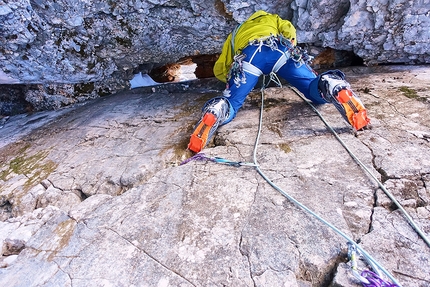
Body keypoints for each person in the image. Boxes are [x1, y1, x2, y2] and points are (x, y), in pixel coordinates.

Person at [188, 10, 370, 153]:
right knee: (311, 88)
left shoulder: (236, 33)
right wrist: (290, 46)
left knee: (233, 102)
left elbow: (221, 67)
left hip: (249, 56)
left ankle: (217, 109)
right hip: (279, 49)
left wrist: (233, 79)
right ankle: (331, 84)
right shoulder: (272, 18)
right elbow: (289, 30)